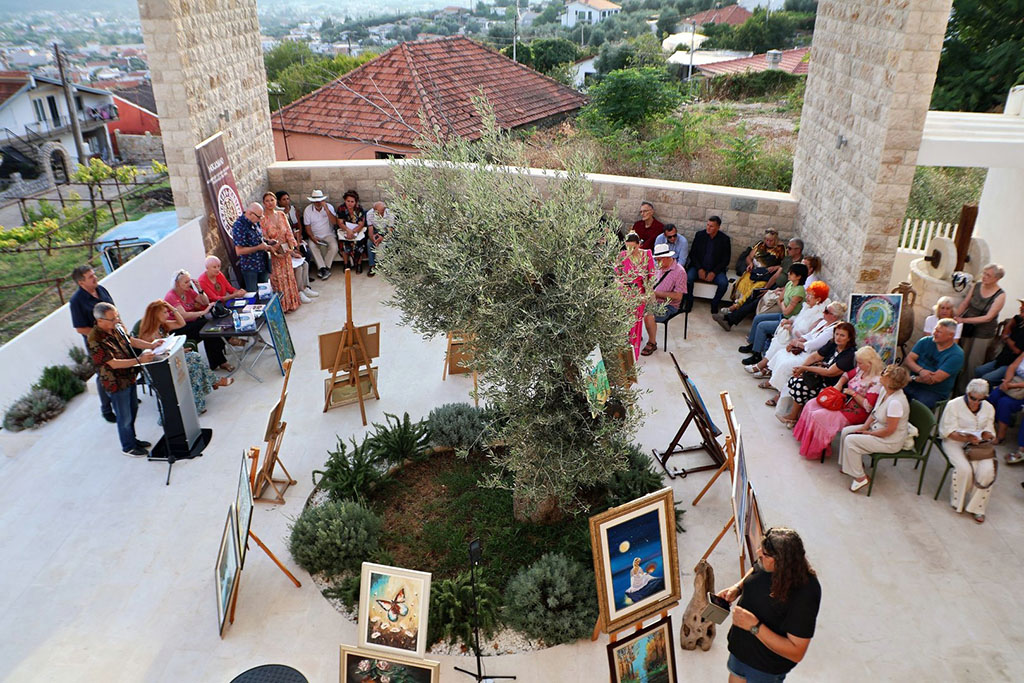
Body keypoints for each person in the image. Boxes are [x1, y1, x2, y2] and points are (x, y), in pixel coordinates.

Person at [718, 527, 820, 683]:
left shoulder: (805, 593)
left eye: (764, 554)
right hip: (739, 653)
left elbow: (796, 651)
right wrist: (738, 588)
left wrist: (754, 626)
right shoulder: (765, 563)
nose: (758, 553)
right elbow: (755, 569)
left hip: (764, 669)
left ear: (782, 561)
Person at [137, 300, 232, 415]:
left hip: (171, 358)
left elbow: (181, 323)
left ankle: (201, 400)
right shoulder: (147, 334)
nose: (167, 315)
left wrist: (173, 308)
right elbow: (154, 357)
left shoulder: (162, 326)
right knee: (193, 364)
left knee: (194, 358)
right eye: (164, 312)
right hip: (161, 367)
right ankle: (213, 383)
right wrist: (178, 352)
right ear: (156, 314)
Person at [87, 302, 157, 456]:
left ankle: (132, 439)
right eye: (112, 319)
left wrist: (151, 345)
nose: (116, 321)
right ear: (100, 321)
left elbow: (131, 340)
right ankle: (128, 446)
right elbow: (113, 363)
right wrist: (140, 360)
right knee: (124, 415)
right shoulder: (95, 339)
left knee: (133, 409)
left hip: (129, 376)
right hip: (116, 382)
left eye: (117, 317)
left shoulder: (116, 327)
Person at [793, 346, 884, 460]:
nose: (858, 365)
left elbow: (868, 406)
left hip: (856, 412)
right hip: (845, 401)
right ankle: (806, 440)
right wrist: (840, 384)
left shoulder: (876, 382)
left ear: (870, 364)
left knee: (819, 416)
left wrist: (853, 393)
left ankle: (818, 448)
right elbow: (846, 375)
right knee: (812, 403)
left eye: (860, 363)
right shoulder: (861, 369)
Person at [839, 365, 912, 493]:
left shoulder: (896, 402)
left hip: (889, 440)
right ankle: (850, 466)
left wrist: (868, 434)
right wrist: (864, 427)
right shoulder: (885, 390)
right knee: (847, 431)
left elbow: (890, 430)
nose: (881, 374)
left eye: (884, 374)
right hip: (877, 429)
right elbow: (875, 412)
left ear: (890, 381)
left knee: (851, 440)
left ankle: (860, 478)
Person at [776, 322, 857, 426]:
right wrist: (800, 369)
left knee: (801, 385)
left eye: (842, 335)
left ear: (849, 338)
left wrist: (804, 368)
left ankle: (793, 416)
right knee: (795, 379)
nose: (838, 337)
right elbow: (815, 357)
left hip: (833, 386)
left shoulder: (850, 354)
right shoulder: (833, 344)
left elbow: (830, 372)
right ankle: (797, 414)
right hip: (821, 377)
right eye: (837, 334)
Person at [766, 302, 847, 404]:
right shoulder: (823, 322)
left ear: (834, 316)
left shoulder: (832, 329)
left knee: (786, 364)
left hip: (812, 354)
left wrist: (798, 343)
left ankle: (780, 394)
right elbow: (809, 335)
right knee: (781, 354)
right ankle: (776, 384)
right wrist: (798, 341)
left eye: (826, 311)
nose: (823, 312)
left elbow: (815, 344)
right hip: (806, 350)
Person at [747, 281, 828, 381]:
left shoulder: (818, 316)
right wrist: (789, 320)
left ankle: (761, 366)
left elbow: (808, 335)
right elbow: (797, 318)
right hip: (791, 334)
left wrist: (792, 330)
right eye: (808, 294)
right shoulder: (807, 307)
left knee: (779, 344)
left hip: (798, 340)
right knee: (777, 340)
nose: (807, 297)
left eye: (810, 295)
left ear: (818, 299)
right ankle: (765, 367)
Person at [940, 379, 997, 524]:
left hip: (978, 446)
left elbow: (990, 429)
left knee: (987, 470)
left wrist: (987, 435)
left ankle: (978, 508)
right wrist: (966, 437)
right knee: (964, 469)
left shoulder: (989, 408)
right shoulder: (953, 405)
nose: (976, 402)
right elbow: (947, 431)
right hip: (954, 442)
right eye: (973, 398)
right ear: (968, 393)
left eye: (980, 399)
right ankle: (957, 502)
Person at [69, 265, 116, 422]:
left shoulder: (101, 289)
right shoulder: (76, 301)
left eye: (94, 274)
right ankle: (107, 409)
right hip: (97, 344)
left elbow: (114, 312)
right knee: (103, 374)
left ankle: (124, 396)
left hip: (115, 337)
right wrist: (103, 335)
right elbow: (80, 328)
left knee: (122, 367)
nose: (95, 277)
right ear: (81, 282)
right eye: (90, 277)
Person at [714, 230, 786, 330]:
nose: (768, 242)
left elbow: (780, 269)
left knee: (754, 292)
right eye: (766, 240)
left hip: (766, 278)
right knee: (745, 285)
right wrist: (751, 264)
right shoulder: (760, 245)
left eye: (771, 240)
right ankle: (730, 315)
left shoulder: (781, 250)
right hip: (756, 274)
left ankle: (732, 312)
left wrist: (775, 269)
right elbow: (749, 257)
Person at [738, 263, 808, 364]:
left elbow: (787, 311)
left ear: (799, 276)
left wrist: (782, 304)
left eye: (791, 273)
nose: (788, 274)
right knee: (758, 318)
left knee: (762, 326)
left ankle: (757, 354)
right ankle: (753, 344)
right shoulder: (789, 284)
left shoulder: (799, 292)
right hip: (783, 316)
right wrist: (783, 304)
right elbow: (780, 300)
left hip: (788, 320)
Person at [164, 269, 232, 372]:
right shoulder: (171, 296)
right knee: (207, 327)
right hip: (180, 328)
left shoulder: (188, 291)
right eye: (186, 282)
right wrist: (203, 313)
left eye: (189, 281)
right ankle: (220, 361)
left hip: (193, 322)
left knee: (213, 326)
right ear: (177, 284)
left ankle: (218, 361)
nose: (189, 284)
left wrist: (199, 289)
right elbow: (183, 316)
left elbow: (205, 301)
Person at [954, 264, 1006, 391]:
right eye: (984, 273)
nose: (984, 277)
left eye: (988, 275)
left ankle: (967, 391)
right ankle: (955, 390)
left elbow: (988, 318)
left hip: (983, 332)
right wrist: (955, 318)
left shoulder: (1000, 295)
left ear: (997, 278)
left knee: (973, 364)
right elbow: (966, 303)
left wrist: (963, 320)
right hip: (967, 328)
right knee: (961, 358)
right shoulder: (976, 285)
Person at [903, 319, 965, 409]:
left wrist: (913, 378)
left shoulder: (957, 355)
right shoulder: (925, 341)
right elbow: (908, 360)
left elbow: (935, 379)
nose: (934, 333)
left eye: (939, 332)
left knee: (917, 409)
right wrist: (921, 371)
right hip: (911, 384)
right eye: (935, 329)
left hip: (933, 391)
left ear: (950, 335)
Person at [641, 242, 688, 357]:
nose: (657, 263)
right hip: (653, 299)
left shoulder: (679, 272)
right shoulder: (658, 267)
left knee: (649, 314)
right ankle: (636, 335)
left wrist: (656, 293)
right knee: (633, 306)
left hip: (669, 305)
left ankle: (652, 342)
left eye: (659, 260)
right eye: (656, 260)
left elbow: (678, 296)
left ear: (668, 258)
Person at [262, 191, 306, 310]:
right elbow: (263, 236)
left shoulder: (281, 214)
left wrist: (293, 248)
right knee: (278, 279)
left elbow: (288, 231)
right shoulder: (262, 219)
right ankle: (282, 306)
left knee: (288, 277)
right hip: (274, 253)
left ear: (276, 201)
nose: (270, 203)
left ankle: (291, 303)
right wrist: (272, 245)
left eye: (272, 200)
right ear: (263, 203)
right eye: (267, 201)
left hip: (285, 251)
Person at [616, 232, 655, 360]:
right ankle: (622, 355)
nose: (630, 250)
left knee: (635, 325)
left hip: (639, 294)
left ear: (639, 244)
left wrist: (647, 294)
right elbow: (616, 275)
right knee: (623, 324)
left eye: (633, 247)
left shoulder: (646, 255)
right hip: (624, 293)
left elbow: (651, 276)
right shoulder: (622, 255)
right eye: (628, 247)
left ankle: (633, 356)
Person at [683, 216, 731, 314]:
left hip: (716, 270)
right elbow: (693, 254)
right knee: (688, 278)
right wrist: (699, 269)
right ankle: (689, 301)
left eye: (711, 226)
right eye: (707, 225)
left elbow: (726, 260)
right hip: (698, 267)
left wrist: (714, 272)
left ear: (718, 227)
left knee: (723, 283)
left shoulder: (724, 239)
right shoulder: (700, 235)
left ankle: (715, 303)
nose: (708, 228)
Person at [974, 298, 1024, 384]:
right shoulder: (1019, 320)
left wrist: (1006, 338)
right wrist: (1007, 331)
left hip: (1010, 364)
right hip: (1001, 358)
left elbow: (1017, 350)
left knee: (986, 379)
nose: (1021, 308)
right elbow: (1008, 327)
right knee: (978, 371)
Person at [986, 351, 1024, 455]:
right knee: (994, 395)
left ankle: (1000, 436)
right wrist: (1007, 381)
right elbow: (1013, 366)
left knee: (1005, 403)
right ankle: (984, 426)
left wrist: (1012, 386)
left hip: (1021, 390)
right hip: (1013, 382)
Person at [231, 202, 272, 292]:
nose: (260, 219)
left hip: (262, 263)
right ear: (250, 213)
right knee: (253, 293)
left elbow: (258, 238)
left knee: (264, 292)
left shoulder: (255, 222)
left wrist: (267, 241)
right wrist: (259, 247)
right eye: (259, 217)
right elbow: (239, 251)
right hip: (250, 268)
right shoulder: (239, 226)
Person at [302, 189, 339, 280]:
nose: (317, 203)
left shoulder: (329, 207)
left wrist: (326, 209)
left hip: (328, 234)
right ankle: (322, 268)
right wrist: (312, 237)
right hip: (315, 235)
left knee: (334, 247)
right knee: (312, 246)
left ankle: (325, 268)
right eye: (315, 201)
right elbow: (307, 227)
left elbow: (334, 222)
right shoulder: (308, 210)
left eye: (319, 201)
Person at [337, 189, 368, 273]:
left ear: (355, 202)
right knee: (343, 242)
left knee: (360, 242)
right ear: (345, 200)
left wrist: (353, 232)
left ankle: (359, 264)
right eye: (348, 201)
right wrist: (348, 231)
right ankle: (346, 264)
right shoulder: (341, 208)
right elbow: (340, 222)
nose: (350, 203)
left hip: (357, 230)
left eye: (352, 201)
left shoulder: (359, 209)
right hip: (345, 230)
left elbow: (361, 224)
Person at [366, 200, 393, 278]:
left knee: (390, 243)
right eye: (379, 212)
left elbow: (390, 230)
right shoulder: (369, 214)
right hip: (376, 231)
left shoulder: (390, 213)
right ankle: (372, 266)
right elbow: (370, 229)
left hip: (386, 231)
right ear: (375, 210)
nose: (381, 213)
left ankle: (389, 267)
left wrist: (383, 237)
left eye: (383, 211)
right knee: (369, 243)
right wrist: (373, 238)